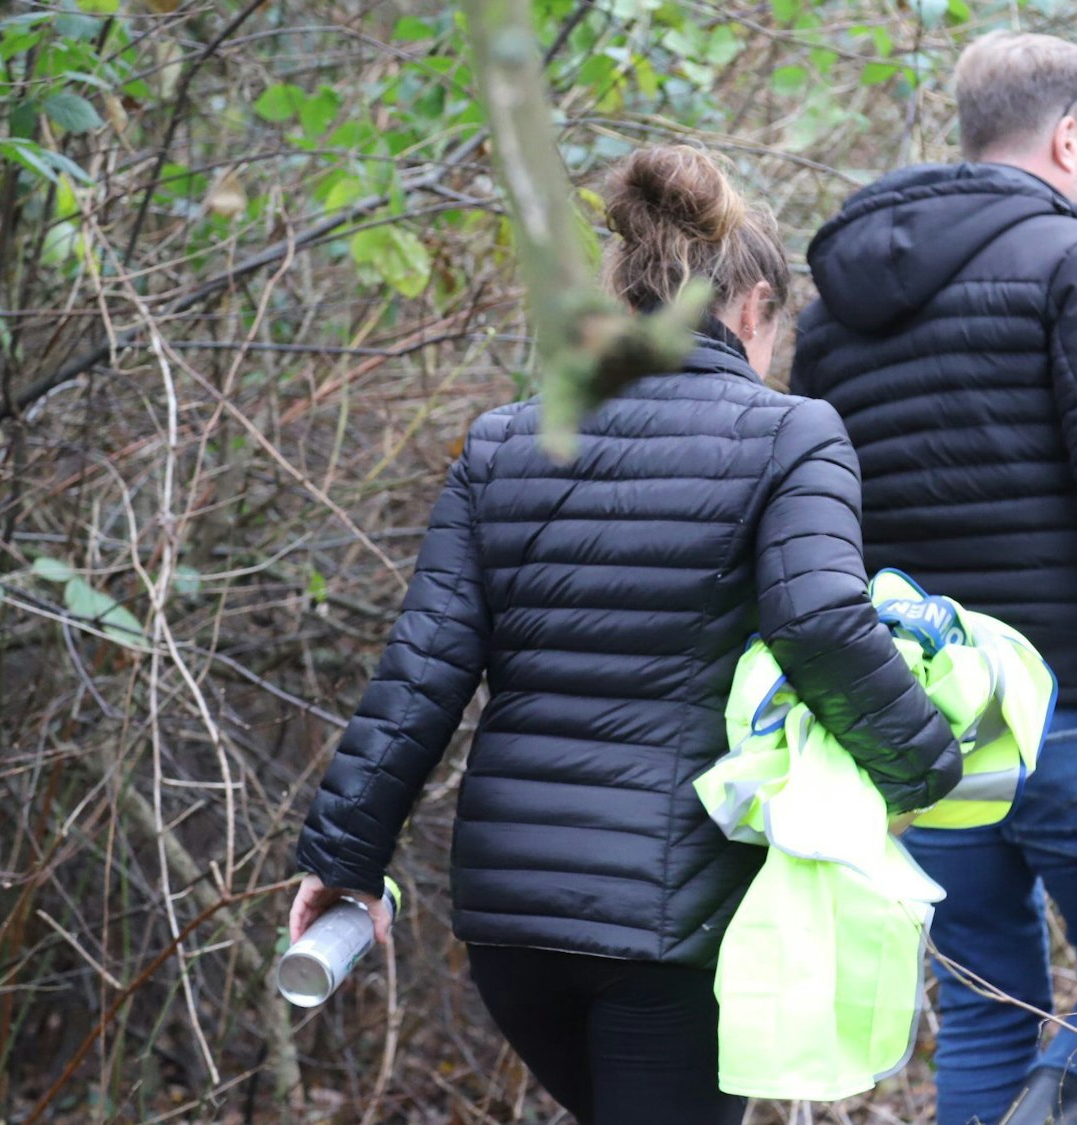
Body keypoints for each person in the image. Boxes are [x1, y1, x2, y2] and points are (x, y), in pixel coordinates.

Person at [288, 145, 963, 1125]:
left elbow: (421, 674)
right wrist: (924, 766)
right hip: (675, 924)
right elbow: (819, 621)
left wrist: (344, 857)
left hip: (513, 924)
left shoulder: (505, 440)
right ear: (754, 305)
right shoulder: (791, 435)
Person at [790, 30, 1077, 1125]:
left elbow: (817, 531)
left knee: (988, 1004)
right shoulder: (1075, 263)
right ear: (1064, 138)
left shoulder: (835, 312)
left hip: (920, 726)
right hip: (1074, 713)